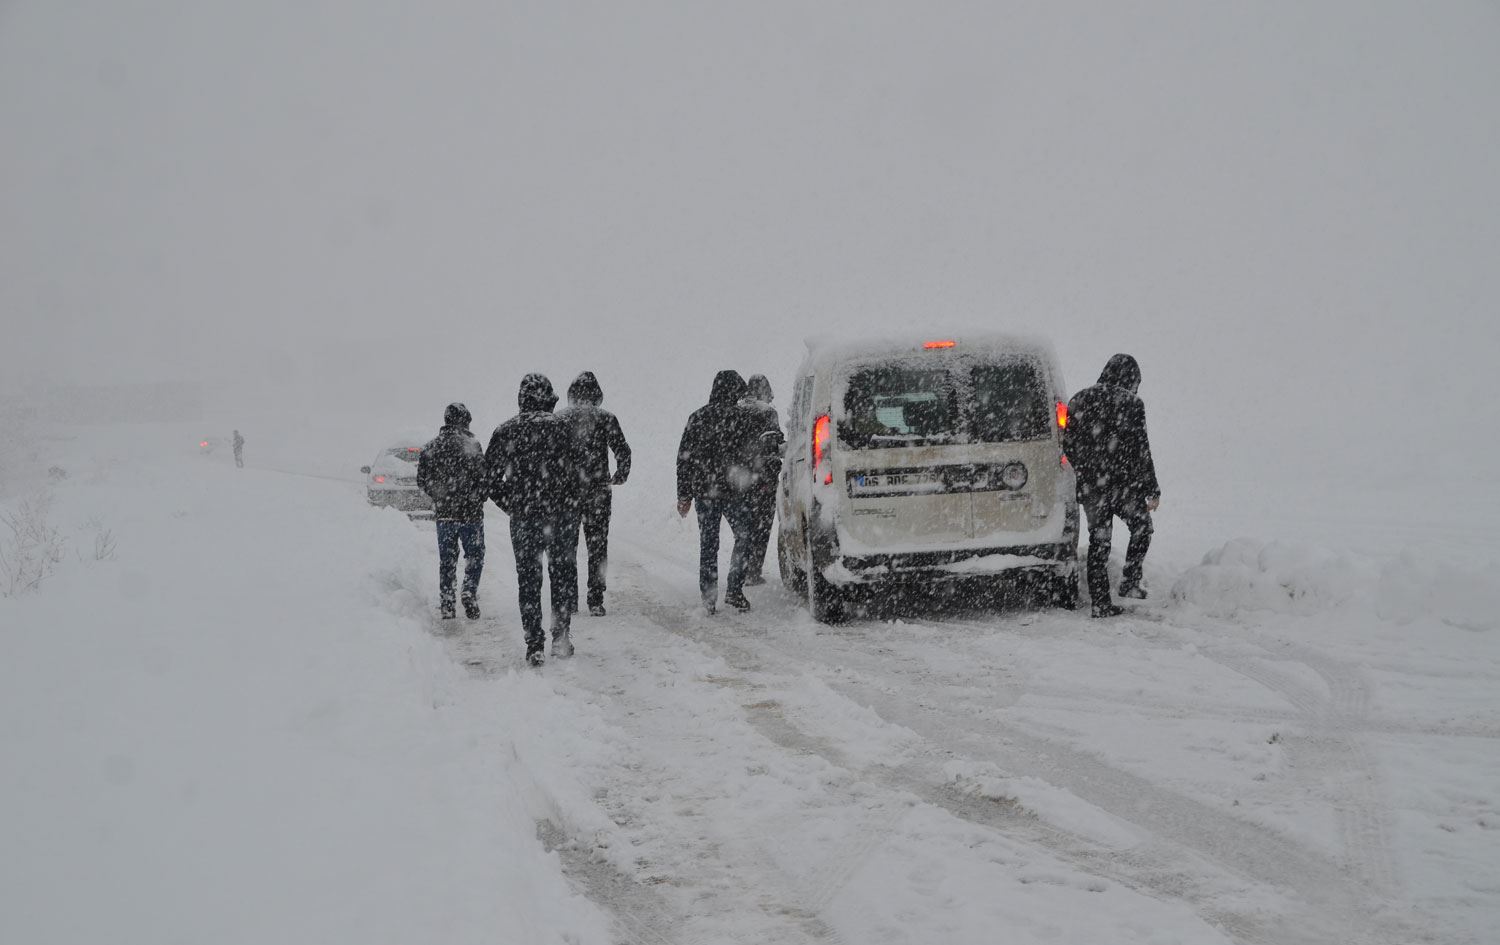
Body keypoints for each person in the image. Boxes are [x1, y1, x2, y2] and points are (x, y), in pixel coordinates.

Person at [487, 374, 587, 665]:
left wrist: (513, 504)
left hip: (525, 518)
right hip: (562, 516)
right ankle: (561, 636)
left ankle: (534, 643)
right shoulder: (565, 429)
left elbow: (489, 480)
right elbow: (583, 474)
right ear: (548, 398)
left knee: (528, 580)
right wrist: (570, 502)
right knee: (562, 576)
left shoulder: (505, 431)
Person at [1063, 353, 1161, 618]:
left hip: (1092, 488)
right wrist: (1152, 489)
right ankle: (1129, 581)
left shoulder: (1079, 399)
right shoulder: (1132, 404)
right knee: (1142, 527)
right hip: (1123, 487)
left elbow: (1067, 444)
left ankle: (1100, 603)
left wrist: (1085, 472)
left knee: (1100, 541)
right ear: (1131, 379)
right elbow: (1142, 450)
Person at [676, 370, 757, 614]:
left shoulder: (697, 418)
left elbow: (683, 459)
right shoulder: (743, 419)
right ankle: (734, 589)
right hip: (735, 492)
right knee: (745, 536)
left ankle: (709, 598)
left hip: (705, 492)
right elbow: (753, 458)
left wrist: (684, 495)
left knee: (709, 543)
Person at [557, 372, 631, 617]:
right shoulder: (606, 418)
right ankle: (595, 597)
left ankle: (569, 597)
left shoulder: (559, 419)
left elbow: (551, 456)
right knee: (597, 546)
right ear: (597, 395)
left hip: (567, 493)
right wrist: (620, 473)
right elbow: (622, 449)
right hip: (598, 491)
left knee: (567, 545)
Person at [416, 403, 489, 620]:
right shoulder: (472, 445)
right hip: (471, 514)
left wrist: (439, 496)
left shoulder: (430, 447)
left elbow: (422, 480)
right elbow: (484, 479)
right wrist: (477, 497)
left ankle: (447, 602)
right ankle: (469, 589)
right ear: (464, 421)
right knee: (475, 555)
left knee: (447, 559)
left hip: (445, 515)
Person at [738, 374, 783, 586]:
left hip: (739, 478)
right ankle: (753, 571)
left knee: (744, 526)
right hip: (764, 477)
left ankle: (741, 568)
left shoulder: (736, 409)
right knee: (762, 525)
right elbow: (776, 443)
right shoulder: (767, 412)